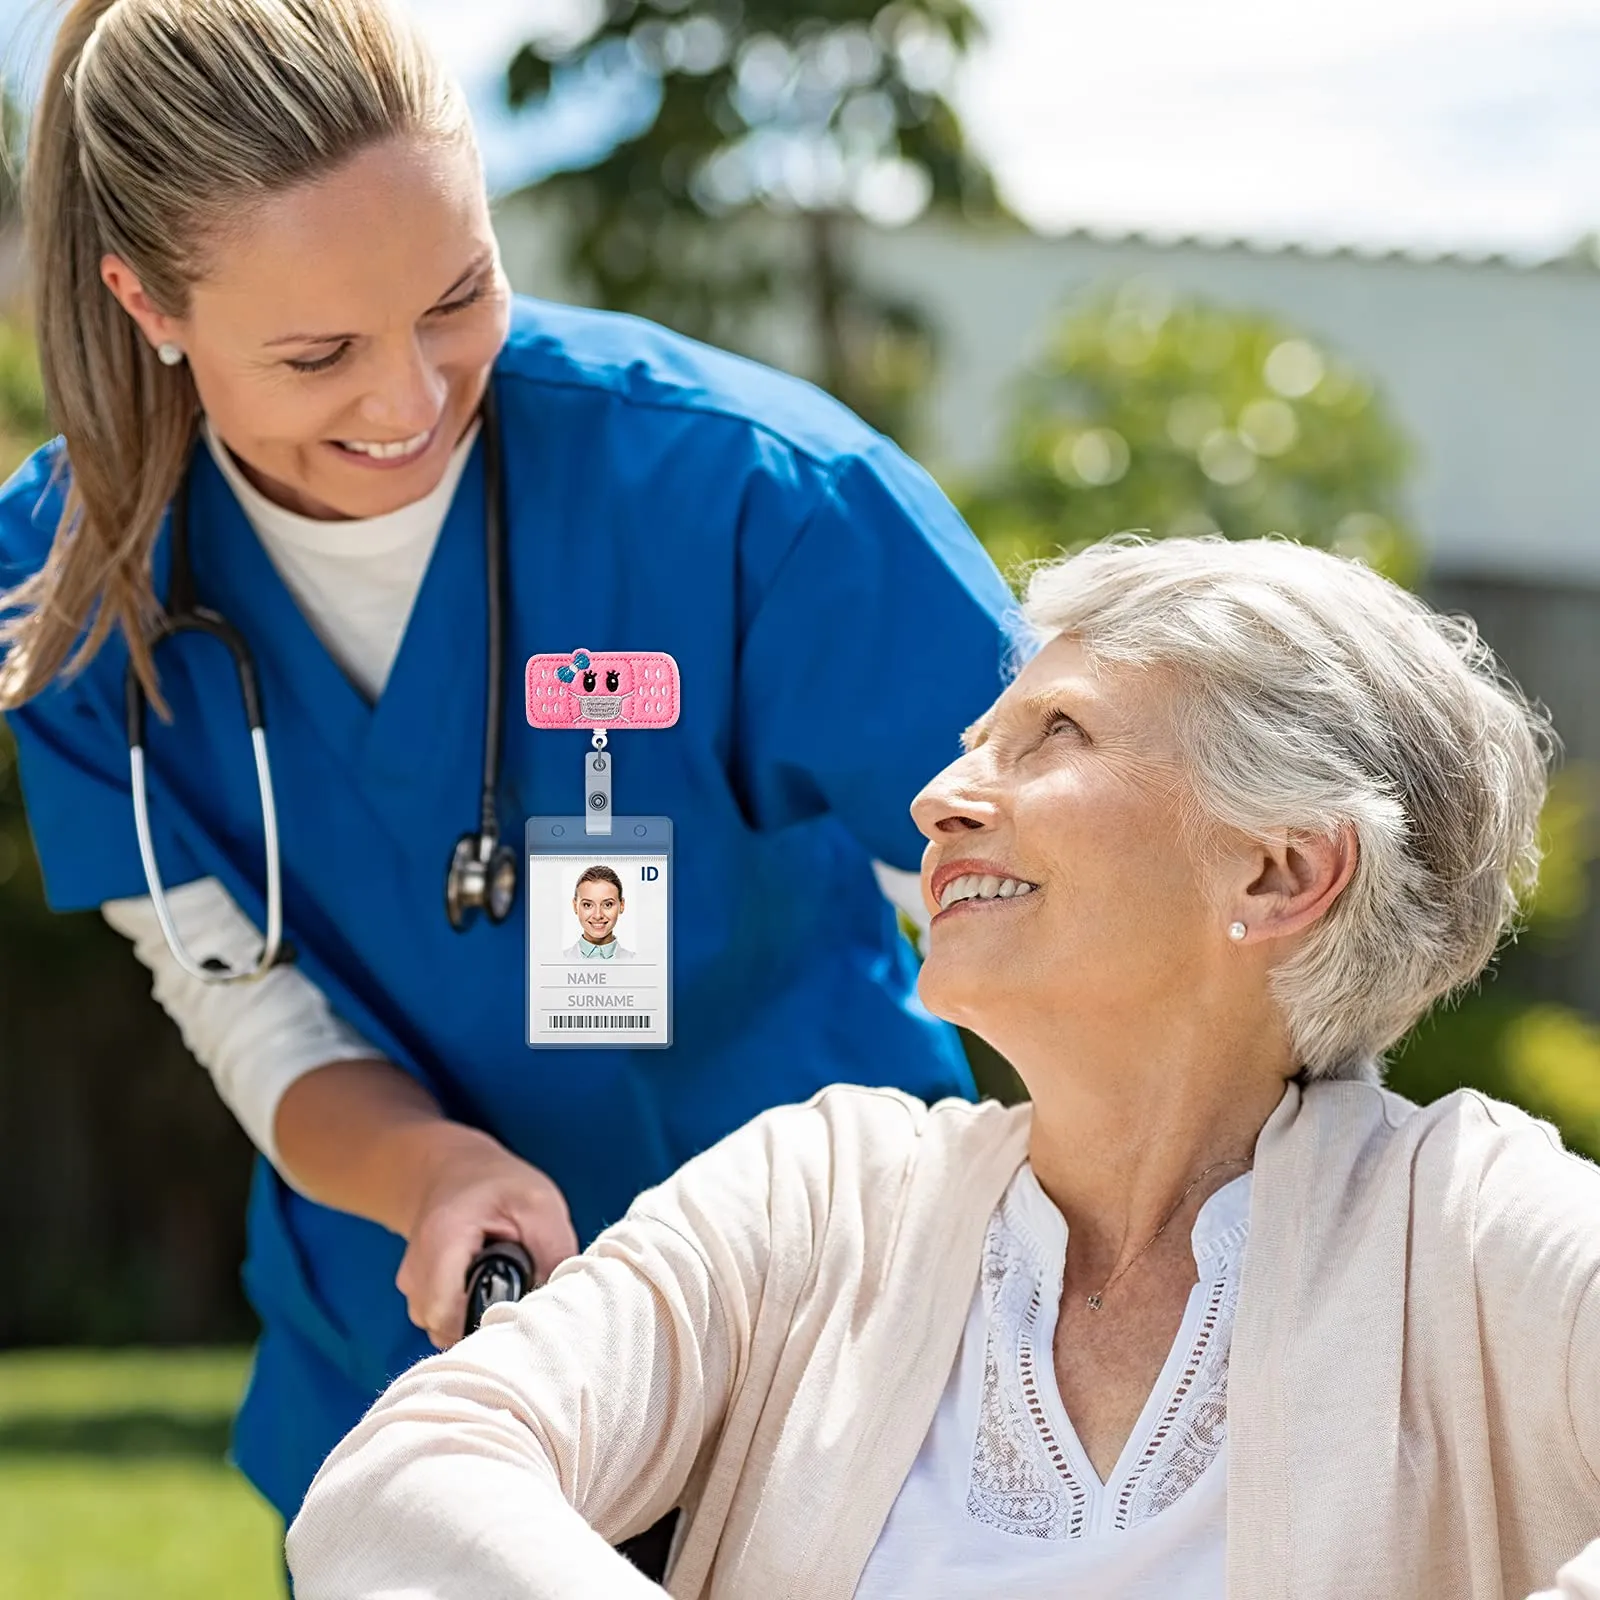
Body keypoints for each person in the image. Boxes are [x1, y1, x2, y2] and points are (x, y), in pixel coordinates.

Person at [0, 0, 1018, 1532]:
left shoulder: (760, 503)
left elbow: (1062, 909)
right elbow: (242, 1002)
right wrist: (428, 1176)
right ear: (148, 303)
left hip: (832, 1379)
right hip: (417, 1397)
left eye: (458, 292)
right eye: (317, 352)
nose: (410, 401)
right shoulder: (66, 589)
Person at [289, 535, 1600, 1600]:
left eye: (1054, 737)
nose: (938, 796)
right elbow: (405, 1484)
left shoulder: (1467, 1225)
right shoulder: (822, 1195)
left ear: (1281, 869)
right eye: (977, 740)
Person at [562, 867, 634, 961]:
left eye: (607, 904)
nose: (598, 915)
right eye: (587, 905)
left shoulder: (638, 962)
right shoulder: (556, 961)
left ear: (622, 905)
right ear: (575, 906)